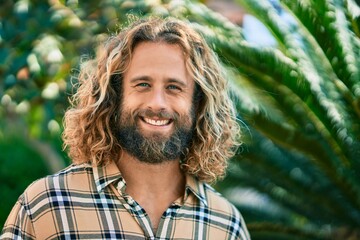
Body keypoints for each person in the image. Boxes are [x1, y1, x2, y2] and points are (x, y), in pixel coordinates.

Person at [1, 17, 250, 239]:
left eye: (174, 87)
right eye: (142, 84)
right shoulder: (46, 206)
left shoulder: (226, 225)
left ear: (199, 103)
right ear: (114, 96)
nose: (157, 103)